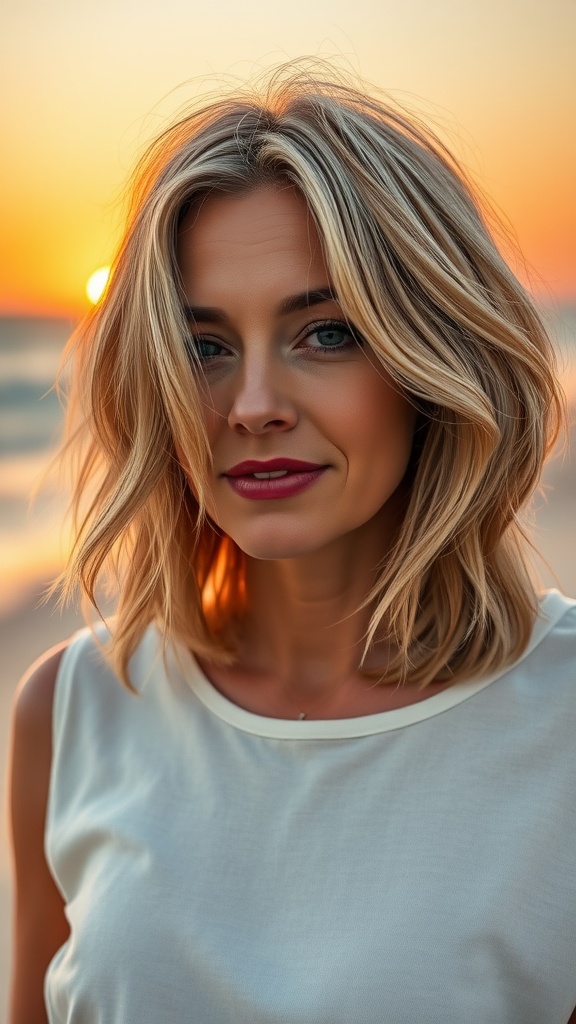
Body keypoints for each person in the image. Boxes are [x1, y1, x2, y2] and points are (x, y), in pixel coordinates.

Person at [8, 59, 576, 1024]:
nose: (254, 406)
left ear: (430, 357)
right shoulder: (72, 711)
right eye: (205, 348)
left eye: (327, 334)